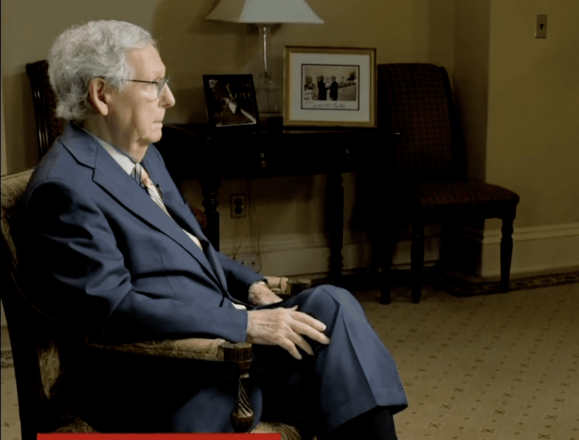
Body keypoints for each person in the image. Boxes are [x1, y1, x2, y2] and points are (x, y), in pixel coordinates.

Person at [18, 20, 407, 438]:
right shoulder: (65, 189)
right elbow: (115, 310)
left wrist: (251, 284)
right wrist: (245, 325)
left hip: (224, 346)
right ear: (101, 94)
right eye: (153, 84)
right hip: (174, 373)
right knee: (342, 373)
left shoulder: (141, 153)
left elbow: (188, 247)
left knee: (332, 305)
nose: (168, 98)